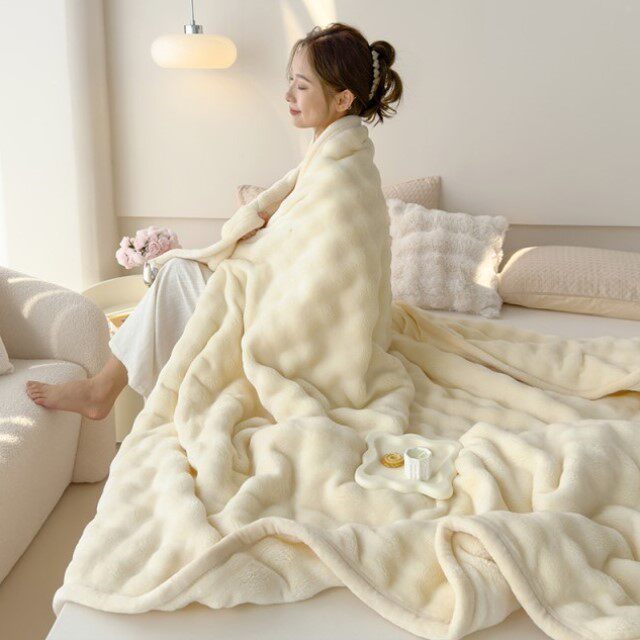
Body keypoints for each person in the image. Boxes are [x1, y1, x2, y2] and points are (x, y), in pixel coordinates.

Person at [25, 22, 403, 420]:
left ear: (342, 99)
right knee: (183, 277)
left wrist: (250, 252)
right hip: (284, 304)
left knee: (177, 276)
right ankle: (109, 392)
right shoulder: (338, 157)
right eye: (291, 81)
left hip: (304, 334)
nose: (288, 94)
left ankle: (101, 392)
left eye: (302, 86)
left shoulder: (340, 176)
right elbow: (299, 247)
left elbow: (322, 280)